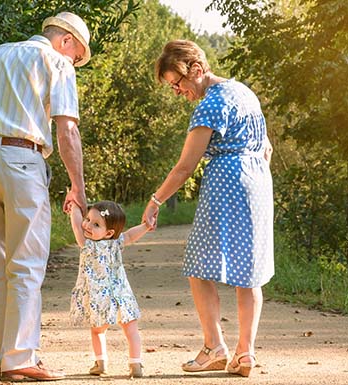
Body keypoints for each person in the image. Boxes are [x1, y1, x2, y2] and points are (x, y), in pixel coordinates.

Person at [0, 11, 92, 382]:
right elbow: (67, 131)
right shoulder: (56, 63)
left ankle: (2, 356)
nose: (74, 62)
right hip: (22, 158)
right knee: (26, 263)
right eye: (77, 55)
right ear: (65, 41)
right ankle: (19, 359)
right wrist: (77, 187)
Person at [142, 40, 274, 378]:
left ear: (197, 70)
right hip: (258, 183)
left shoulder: (209, 105)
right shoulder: (244, 92)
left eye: (178, 83)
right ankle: (245, 353)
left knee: (198, 265)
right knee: (250, 271)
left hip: (226, 183)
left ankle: (214, 347)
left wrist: (155, 201)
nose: (176, 92)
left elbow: (185, 167)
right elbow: (267, 148)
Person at [68, 201, 150, 378]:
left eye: (96, 224)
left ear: (109, 232)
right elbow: (130, 236)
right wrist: (146, 226)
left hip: (99, 297)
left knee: (98, 330)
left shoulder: (87, 244)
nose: (88, 226)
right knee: (131, 329)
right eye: (88, 219)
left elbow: (76, 226)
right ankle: (135, 363)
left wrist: (74, 208)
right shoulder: (116, 242)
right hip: (121, 292)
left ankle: (100, 362)